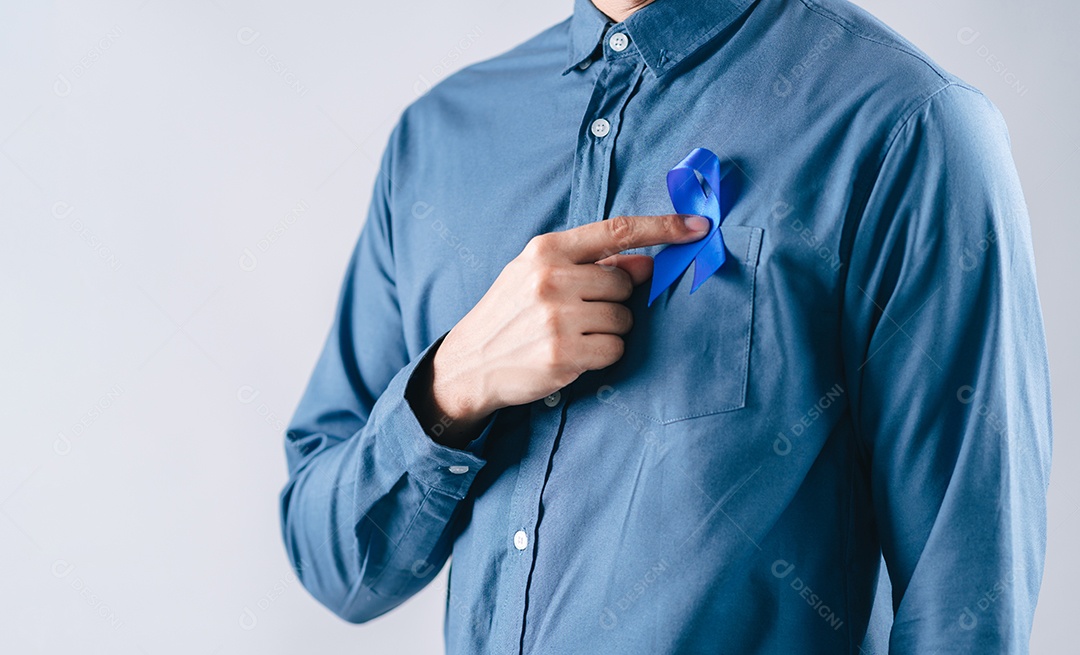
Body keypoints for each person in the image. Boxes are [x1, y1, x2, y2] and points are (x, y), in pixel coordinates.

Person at [278, 0, 1053, 652]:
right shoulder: (437, 140)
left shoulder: (906, 129)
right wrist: (453, 384)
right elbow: (336, 562)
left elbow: (968, 600)